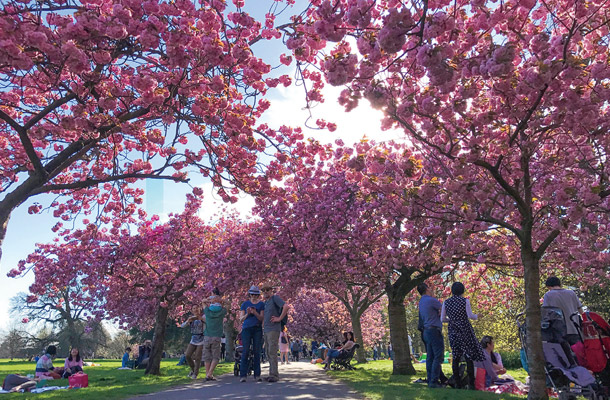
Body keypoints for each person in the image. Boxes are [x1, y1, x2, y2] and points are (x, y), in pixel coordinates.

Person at [441, 282, 486, 390]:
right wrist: (477, 316)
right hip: (465, 329)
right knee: (468, 356)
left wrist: (451, 320)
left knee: (455, 356)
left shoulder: (446, 302)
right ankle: (471, 383)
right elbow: (470, 315)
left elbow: (442, 319)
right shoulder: (465, 301)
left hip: (453, 330)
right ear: (462, 290)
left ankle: (457, 383)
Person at [417, 283, 444, 388]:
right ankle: (434, 381)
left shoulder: (421, 302)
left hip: (426, 331)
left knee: (430, 357)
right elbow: (444, 309)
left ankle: (430, 379)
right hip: (434, 330)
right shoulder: (431, 300)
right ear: (427, 289)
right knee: (438, 356)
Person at [543, 276, 584, 345]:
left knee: (562, 353)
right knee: (577, 352)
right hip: (574, 328)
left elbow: (545, 312)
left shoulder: (548, 295)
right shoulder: (571, 293)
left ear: (549, 286)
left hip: (558, 330)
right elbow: (580, 309)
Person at [262, 282, 289, 382]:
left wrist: (279, 318)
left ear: (271, 291)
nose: (265, 292)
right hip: (266, 329)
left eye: (267, 290)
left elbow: (286, 306)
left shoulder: (275, 298)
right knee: (268, 352)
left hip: (273, 329)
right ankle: (271, 373)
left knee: (272, 351)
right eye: (263, 290)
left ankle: (274, 375)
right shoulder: (266, 302)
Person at [239, 285, 265, 382]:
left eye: (256, 295)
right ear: (249, 294)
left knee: (256, 351)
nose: (254, 296)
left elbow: (262, 318)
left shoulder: (261, 304)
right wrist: (248, 313)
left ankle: (257, 374)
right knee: (245, 351)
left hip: (257, 329)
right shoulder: (245, 304)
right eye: (252, 294)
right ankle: (243, 375)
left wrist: (255, 313)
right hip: (246, 329)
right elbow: (241, 319)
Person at [202, 295, 227, 381]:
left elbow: (203, 301)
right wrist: (220, 300)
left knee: (207, 357)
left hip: (207, 336)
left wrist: (209, 300)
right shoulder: (221, 312)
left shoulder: (207, 312)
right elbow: (228, 304)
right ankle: (210, 373)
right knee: (215, 357)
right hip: (216, 337)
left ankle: (207, 374)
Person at [180, 307, 205, 379]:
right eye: (194, 308)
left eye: (197, 308)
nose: (196, 310)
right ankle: (193, 369)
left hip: (201, 339)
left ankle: (195, 374)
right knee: (187, 355)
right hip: (193, 339)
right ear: (192, 310)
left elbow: (208, 324)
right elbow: (182, 326)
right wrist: (188, 321)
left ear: (200, 309)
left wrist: (201, 319)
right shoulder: (191, 318)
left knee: (198, 357)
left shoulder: (203, 317)